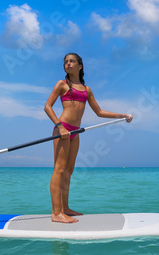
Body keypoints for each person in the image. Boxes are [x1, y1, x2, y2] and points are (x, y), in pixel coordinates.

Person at [44, 53, 133, 223]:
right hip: (62, 129)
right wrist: (59, 126)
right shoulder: (62, 84)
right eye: (65, 62)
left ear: (80, 66)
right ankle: (56, 213)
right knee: (60, 169)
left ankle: (65, 208)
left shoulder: (86, 90)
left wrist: (122, 115)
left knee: (69, 171)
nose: (68, 64)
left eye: (72, 61)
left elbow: (99, 112)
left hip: (75, 132)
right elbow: (47, 107)